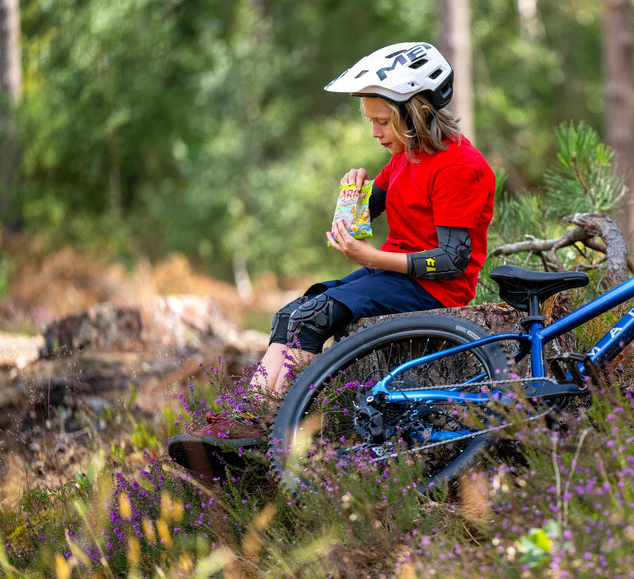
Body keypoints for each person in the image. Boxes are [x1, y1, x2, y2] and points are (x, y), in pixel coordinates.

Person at [167, 42, 496, 479]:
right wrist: (353, 193)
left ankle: (265, 428)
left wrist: (372, 256)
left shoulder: (459, 167)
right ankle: (245, 424)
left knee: (316, 315)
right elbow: (365, 216)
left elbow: (453, 261)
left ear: (416, 113)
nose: (375, 132)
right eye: (371, 121)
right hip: (394, 273)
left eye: (383, 121)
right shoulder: (406, 157)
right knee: (292, 313)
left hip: (435, 287)